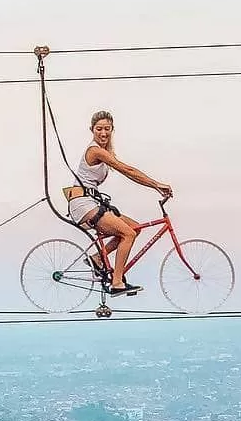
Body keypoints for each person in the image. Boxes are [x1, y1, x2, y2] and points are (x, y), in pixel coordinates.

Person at [64, 111, 172, 297]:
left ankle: (98, 258)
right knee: (127, 234)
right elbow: (127, 170)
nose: (103, 133)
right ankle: (117, 282)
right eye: (99, 129)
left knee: (134, 228)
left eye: (107, 129)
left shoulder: (106, 151)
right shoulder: (94, 150)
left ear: (112, 130)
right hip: (83, 204)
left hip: (92, 201)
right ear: (92, 130)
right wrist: (156, 185)